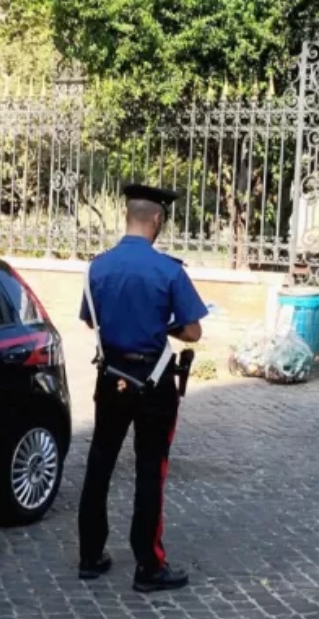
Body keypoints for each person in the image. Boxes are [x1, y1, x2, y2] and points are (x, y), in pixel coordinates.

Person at [76, 183, 209, 593]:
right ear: (156, 219)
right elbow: (193, 330)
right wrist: (161, 326)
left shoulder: (97, 267)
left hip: (111, 376)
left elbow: (88, 320)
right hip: (154, 383)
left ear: (127, 217)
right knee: (151, 470)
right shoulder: (169, 270)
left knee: (100, 461)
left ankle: (90, 555)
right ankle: (148, 566)